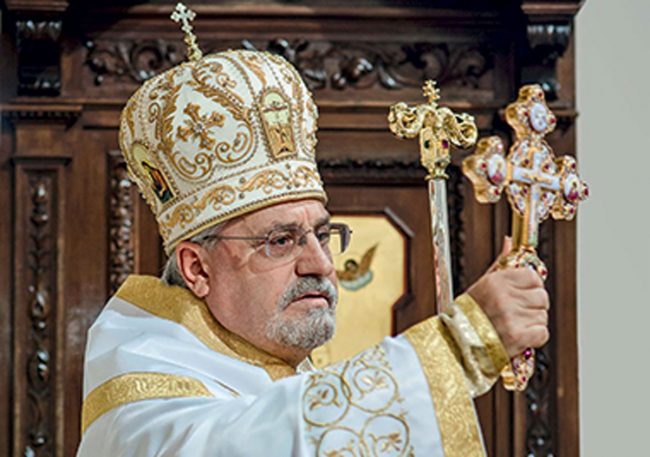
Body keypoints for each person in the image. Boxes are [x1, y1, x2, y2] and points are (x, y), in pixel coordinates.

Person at [76, 28, 549, 457]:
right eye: (281, 241)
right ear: (197, 269)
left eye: (322, 235)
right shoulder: (140, 400)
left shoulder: (283, 372)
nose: (320, 264)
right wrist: (458, 345)